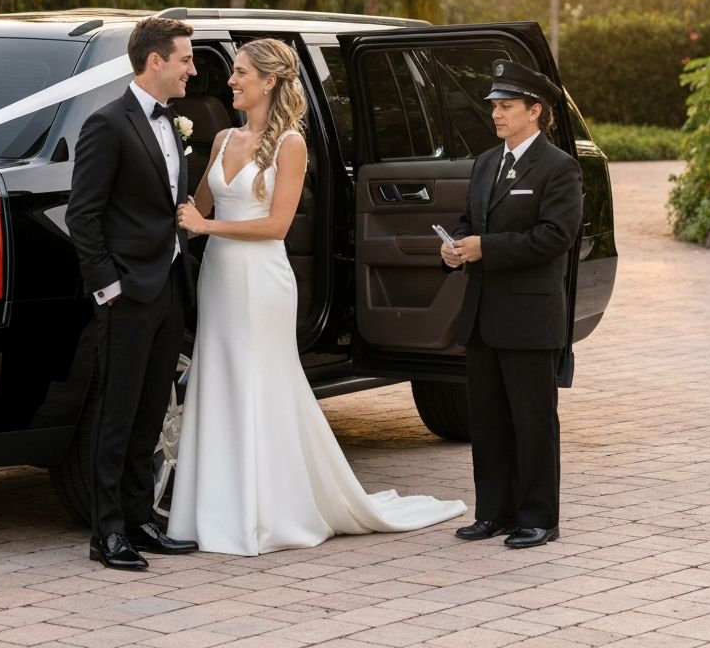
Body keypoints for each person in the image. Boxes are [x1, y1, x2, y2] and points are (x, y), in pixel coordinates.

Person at [168, 38, 465, 555]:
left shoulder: (290, 145)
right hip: (218, 276)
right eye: (233, 72)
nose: (230, 81)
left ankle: (267, 513)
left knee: (261, 383)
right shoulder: (220, 141)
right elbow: (191, 212)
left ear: (269, 82)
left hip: (261, 279)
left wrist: (205, 223)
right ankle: (215, 508)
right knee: (219, 379)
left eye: (239, 73)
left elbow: (277, 225)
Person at [66, 16, 201, 571]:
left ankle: (141, 518)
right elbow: (83, 216)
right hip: (126, 293)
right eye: (186, 59)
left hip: (169, 286)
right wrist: (108, 288)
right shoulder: (107, 124)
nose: (193, 68)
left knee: (151, 413)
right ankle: (108, 534)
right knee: (116, 417)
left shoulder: (172, 122)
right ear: (155, 61)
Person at [440, 59, 583, 549]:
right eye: (495, 107)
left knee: (533, 422)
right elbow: (467, 220)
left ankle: (539, 518)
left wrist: (487, 248)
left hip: (529, 317)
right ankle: (493, 513)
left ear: (535, 110)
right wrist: (456, 247)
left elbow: (555, 237)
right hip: (483, 315)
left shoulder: (559, 166)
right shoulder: (485, 162)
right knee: (489, 421)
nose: (496, 115)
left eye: (506, 106)